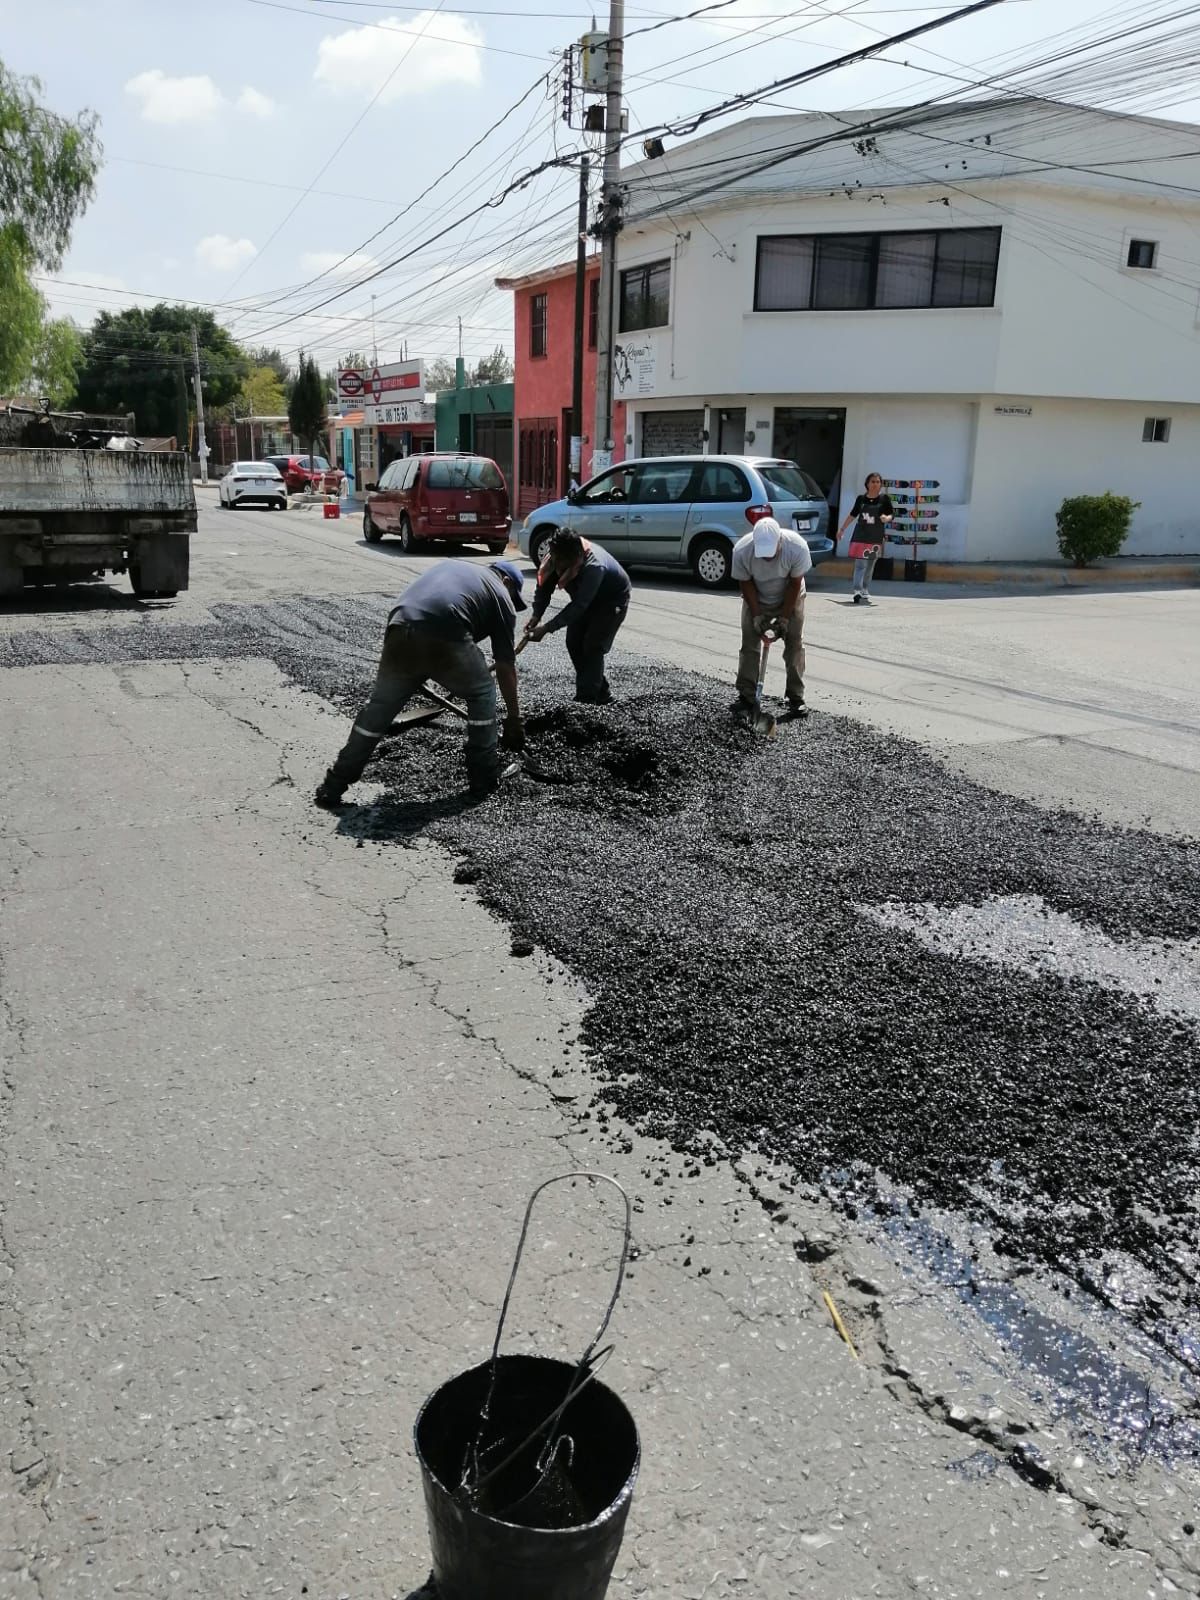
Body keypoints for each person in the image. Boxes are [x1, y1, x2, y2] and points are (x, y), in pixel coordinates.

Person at [313, 559, 526, 808]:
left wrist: (411, 670)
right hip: (445, 628)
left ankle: (334, 784)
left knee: (380, 708)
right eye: (514, 596)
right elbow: (504, 665)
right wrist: (514, 719)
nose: (512, 601)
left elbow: (415, 606)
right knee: (482, 693)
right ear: (507, 581)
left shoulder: (456, 568)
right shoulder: (500, 593)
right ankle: (484, 777)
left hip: (400, 626)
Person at [525, 528, 631, 704]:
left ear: (575, 556)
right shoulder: (556, 557)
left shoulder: (594, 567)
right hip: (585, 600)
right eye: (555, 558)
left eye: (561, 561)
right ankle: (602, 694)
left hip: (611, 602)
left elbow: (579, 606)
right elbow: (545, 587)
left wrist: (546, 628)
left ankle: (585, 702)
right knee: (573, 642)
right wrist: (537, 615)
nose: (557, 565)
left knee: (593, 646)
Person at [731, 514, 812, 717]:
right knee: (749, 645)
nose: (767, 557)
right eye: (763, 553)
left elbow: (795, 584)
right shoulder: (742, 550)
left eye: (771, 552)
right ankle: (747, 696)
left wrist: (784, 619)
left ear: (780, 542)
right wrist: (757, 615)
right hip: (756, 597)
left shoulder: (797, 548)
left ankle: (796, 697)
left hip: (790, 597)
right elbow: (745, 582)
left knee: (794, 644)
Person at [836, 472, 895, 604]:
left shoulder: (884, 499)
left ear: (881, 484)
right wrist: (842, 529)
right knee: (860, 564)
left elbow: (891, 514)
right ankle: (857, 590)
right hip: (861, 535)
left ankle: (865, 588)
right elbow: (853, 515)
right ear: (867, 484)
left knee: (870, 564)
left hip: (875, 537)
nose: (875, 484)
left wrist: (887, 518)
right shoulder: (861, 499)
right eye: (872, 481)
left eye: (878, 482)